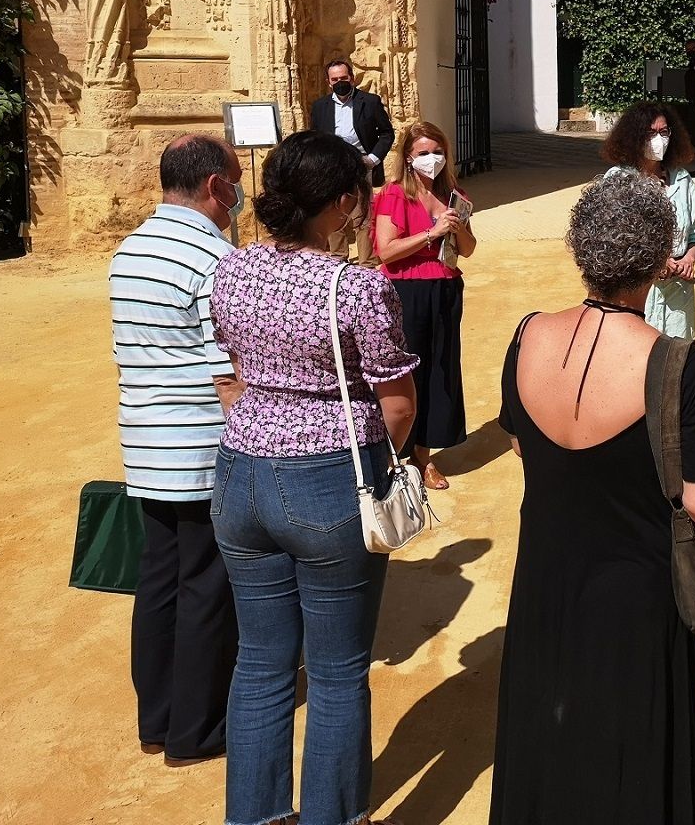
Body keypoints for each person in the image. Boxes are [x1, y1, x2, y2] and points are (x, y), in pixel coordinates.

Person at [490, 172, 695, 825]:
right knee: (630, 749)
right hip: (637, 595)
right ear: (657, 261)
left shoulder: (526, 337)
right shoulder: (680, 364)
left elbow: (523, 448)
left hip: (545, 582)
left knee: (549, 731)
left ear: (580, 251)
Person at [210, 130, 417, 825]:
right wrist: (372, 469)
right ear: (343, 203)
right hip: (327, 478)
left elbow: (233, 368)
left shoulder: (231, 269)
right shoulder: (355, 287)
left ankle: (256, 816)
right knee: (333, 673)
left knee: (261, 664)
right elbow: (398, 403)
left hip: (239, 472)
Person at [108, 134, 243, 766]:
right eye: (236, 183)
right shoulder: (213, 257)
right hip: (199, 445)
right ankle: (195, 729)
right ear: (216, 187)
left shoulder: (129, 250)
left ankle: (155, 720)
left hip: (145, 442)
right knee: (206, 587)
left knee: (157, 581)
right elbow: (227, 371)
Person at [374, 121, 476, 490]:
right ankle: (391, 455)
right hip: (405, 292)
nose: (431, 159)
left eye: (437, 151)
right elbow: (386, 250)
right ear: (407, 157)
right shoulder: (395, 194)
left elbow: (468, 250)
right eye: (423, 153)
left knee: (440, 369)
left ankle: (423, 457)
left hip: (445, 288)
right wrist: (430, 233)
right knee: (404, 372)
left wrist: (456, 228)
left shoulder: (455, 196)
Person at [602, 101, 695, 339]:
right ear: (634, 137)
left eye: (663, 132)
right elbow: (610, 240)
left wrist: (689, 258)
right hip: (636, 293)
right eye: (650, 133)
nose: (658, 139)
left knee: (676, 360)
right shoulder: (618, 180)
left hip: (678, 295)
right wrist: (654, 263)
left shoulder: (682, 180)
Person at [308, 56, 395, 262]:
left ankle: (367, 261)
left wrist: (373, 159)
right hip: (332, 166)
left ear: (352, 78)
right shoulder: (320, 106)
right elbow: (315, 136)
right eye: (335, 79)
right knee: (333, 210)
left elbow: (386, 133)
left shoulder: (370, 102)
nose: (340, 82)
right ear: (328, 82)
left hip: (361, 164)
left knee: (362, 214)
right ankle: (338, 257)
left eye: (344, 78)